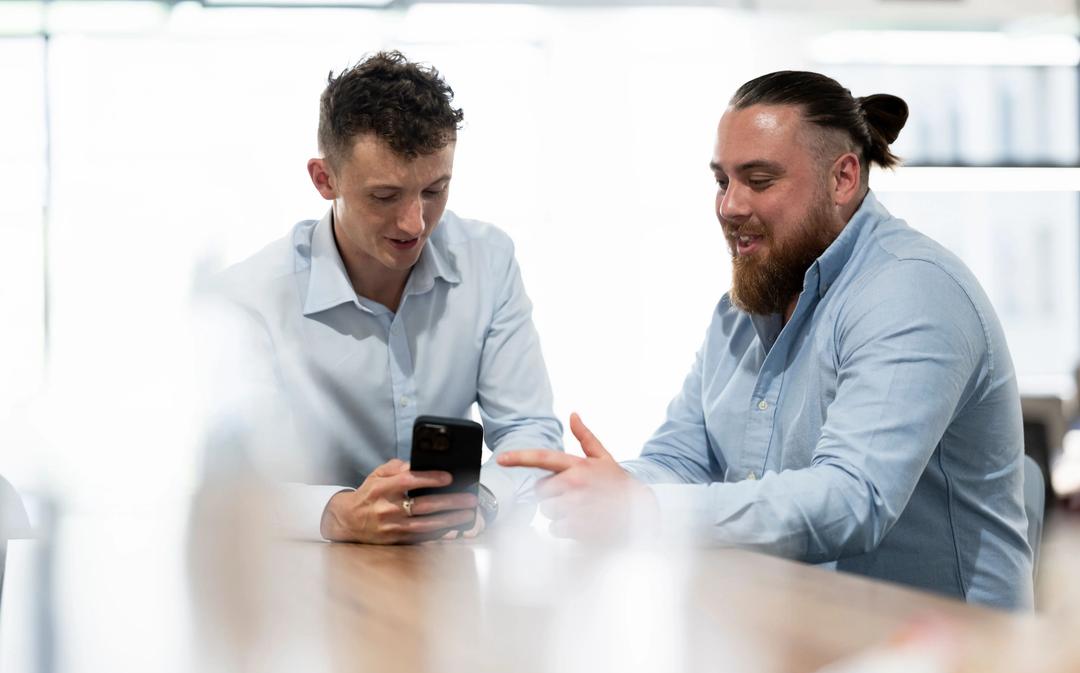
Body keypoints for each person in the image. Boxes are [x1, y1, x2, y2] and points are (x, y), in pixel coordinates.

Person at [499, 70, 1033, 610]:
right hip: (798, 636)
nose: (730, 206)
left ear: (843, 178)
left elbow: (853, 500)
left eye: (759, 180)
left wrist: (644, 509)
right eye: (722, 181)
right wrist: (600, 487)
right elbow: (683, 460)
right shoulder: (743, 307)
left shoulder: (910, 289)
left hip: (948, 665)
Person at [210, 50, 562, 544]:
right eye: (384, 196)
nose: (415, 224)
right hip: (308, 577)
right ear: (323, 179)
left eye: (435, 190)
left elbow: (533, 435)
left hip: (447, 563)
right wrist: (334, 513)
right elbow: (227, 484)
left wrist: (479, 500)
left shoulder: (490, 260)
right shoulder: (249, 299)